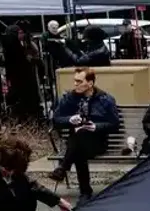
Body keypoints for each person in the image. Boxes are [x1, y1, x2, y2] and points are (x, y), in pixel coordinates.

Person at [48, 67, 120, 202]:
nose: (75, 84)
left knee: (79, 139)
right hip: (76, 143)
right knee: (79, 146)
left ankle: (66, 171)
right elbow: (56, 119)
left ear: (90, 83)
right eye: (75, 81)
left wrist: (96, 127)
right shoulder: (69, 98)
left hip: (97, 142)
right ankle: (84, 192)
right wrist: (69, 120)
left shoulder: (105, 99)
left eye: (79, 81)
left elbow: (115, 124)